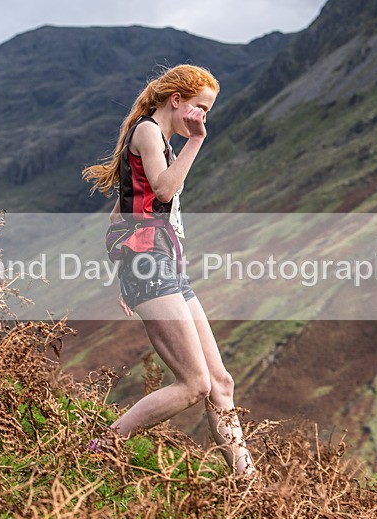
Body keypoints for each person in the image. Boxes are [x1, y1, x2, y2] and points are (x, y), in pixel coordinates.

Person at [82, 64, 256, 477]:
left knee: (220, 383)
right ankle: (101, 446)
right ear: (176, 101)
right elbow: (163, 189)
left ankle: (250, 485)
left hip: (163, 268)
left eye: (207, 112)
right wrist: (197, 141)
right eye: (199, 108)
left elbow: (117, 218)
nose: (202, 118)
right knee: (194, 384)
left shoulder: (160, 142)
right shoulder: (147, 132)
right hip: (151, 266)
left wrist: (125, 273)